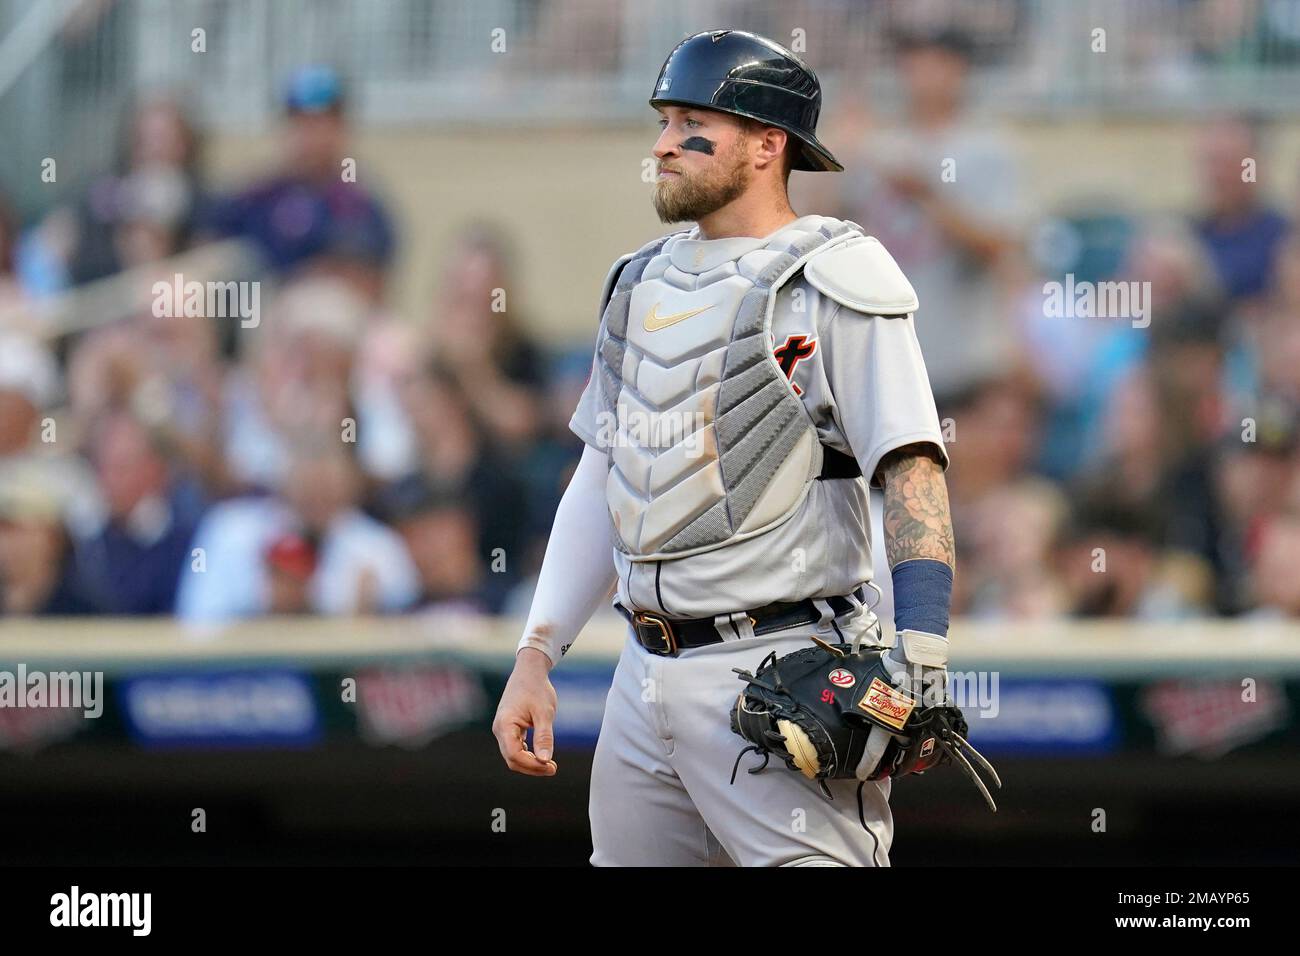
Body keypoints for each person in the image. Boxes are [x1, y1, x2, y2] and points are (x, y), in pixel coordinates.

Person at [493, 31, 957, 867]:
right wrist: (537, 651)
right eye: (664, 121)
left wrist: (922, 650)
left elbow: (912, 465)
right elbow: (604, 473)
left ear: (768, 143)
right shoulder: (637, 283)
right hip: (642, 673)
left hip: (783, 667)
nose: (664, 144)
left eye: (692, 122)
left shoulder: (837, 275)